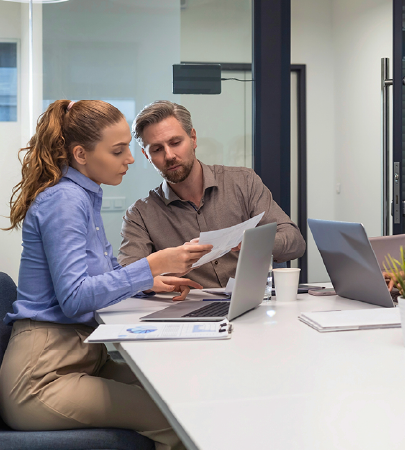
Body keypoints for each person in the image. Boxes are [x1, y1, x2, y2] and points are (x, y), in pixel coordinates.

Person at [0, 100, 214, 449]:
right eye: (118, 151)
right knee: (179, 416)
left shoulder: (84, 196)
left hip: (79, 360)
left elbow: (105, 274)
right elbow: (75, 299)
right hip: (42, 378)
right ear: (81, 154)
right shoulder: (65, 201)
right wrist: (153, 265)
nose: (131, 159)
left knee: (183, 388)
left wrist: (149, 281)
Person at [119, 100, 306, 288]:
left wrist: (253, 241)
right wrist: (154, 280)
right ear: (146, 155)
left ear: (193, 138)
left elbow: (295, 243)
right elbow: (126, 275)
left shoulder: (244, 182)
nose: (169, 155)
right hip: (188, 309)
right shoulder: (140, 215)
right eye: (157, 149)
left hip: (253, 301)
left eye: (175, 143)